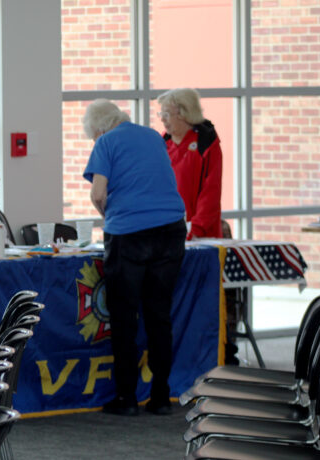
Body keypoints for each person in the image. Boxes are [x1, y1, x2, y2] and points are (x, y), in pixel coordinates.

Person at [82, 100, 187, 416]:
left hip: (129, 235)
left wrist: (109, 215)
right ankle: (160, 396)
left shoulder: (106, 142)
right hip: (171, 230)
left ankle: (126, 398)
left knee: (125, 318)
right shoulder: (154, 135)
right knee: (159, 315)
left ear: (98, 129)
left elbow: (98, 193)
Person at [157, 88, 223, 240]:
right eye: (161, 114)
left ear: (183, 115)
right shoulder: (162, 144)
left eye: (166, 115)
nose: (162, 119)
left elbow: (211, 191)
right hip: (166, 231)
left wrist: (196, 228)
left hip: (201, 234)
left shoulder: (206, 144)